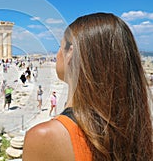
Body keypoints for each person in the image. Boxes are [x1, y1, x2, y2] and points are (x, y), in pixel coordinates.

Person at [23, 13, 152, 160]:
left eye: (60, 46)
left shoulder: (45, 137)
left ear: (70, 52)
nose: (57, 54)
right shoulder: (139, 134)